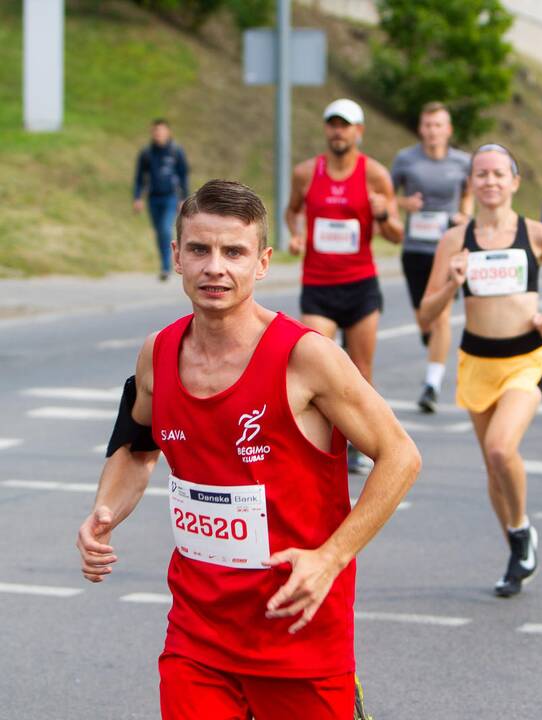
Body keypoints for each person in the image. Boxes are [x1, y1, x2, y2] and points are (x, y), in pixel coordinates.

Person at [76, 179, 420, 719]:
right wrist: (105, 512)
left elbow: (400, 455)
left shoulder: (306, 357)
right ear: (177, 256)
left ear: (261, 263)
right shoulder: (158, 353)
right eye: (200, 249)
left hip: (299, 633)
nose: (216, 267)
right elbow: (135, 447)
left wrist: (331, 557)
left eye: (233, 252)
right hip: (198, 635)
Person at [419, 144, 542, 597]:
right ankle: (515, 541)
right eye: (481, 174)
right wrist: (451, 281)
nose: (489, 181)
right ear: (472, 183)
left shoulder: (538, 235)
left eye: (498, 174)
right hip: (478, 361)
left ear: (514, 182)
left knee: (498, 449)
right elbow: (425, 318)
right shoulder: (455, 240)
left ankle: (523, 529)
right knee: (494, 471)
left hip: (526, 358)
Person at [286, 98, 403, 474]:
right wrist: (297, 233)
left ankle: (361, 444)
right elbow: (292, 210)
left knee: (360, 371)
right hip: (318, 284)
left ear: (359, 131)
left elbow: (395, 234)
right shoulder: (307, 172)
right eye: (332, 124)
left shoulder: (375, 176)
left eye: (345, 125)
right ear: (326, 130)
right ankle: (319, 444)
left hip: (360, 286)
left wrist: (382, 212)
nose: (338, 131)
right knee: (312, 363)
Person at [391, 102, 473, 413]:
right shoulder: (406, 159)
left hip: (448, 247)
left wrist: (465, 215)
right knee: (423, 317)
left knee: (439, 317)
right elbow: (388, 194)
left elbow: (469, 194)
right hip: (415, 248)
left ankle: (432, 385)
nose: (432, 131)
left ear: (448, 129)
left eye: (438, 125)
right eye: (427, 125)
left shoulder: (463, 162)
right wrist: (403, 203)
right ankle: (432, 345)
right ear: (420, 128)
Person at [133, 118, 189, 281]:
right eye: (155, 131)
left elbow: (183, 175)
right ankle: (164, 264)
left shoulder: (176, 151)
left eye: (161, 131)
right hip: (153, 198)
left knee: (166, 229)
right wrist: (137, 198)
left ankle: (167, 265)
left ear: (167, 132)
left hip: (170, 197)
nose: (158, 134)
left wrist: (184, 198)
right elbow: (139, 178)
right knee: (159, 232)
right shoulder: (147, 153)